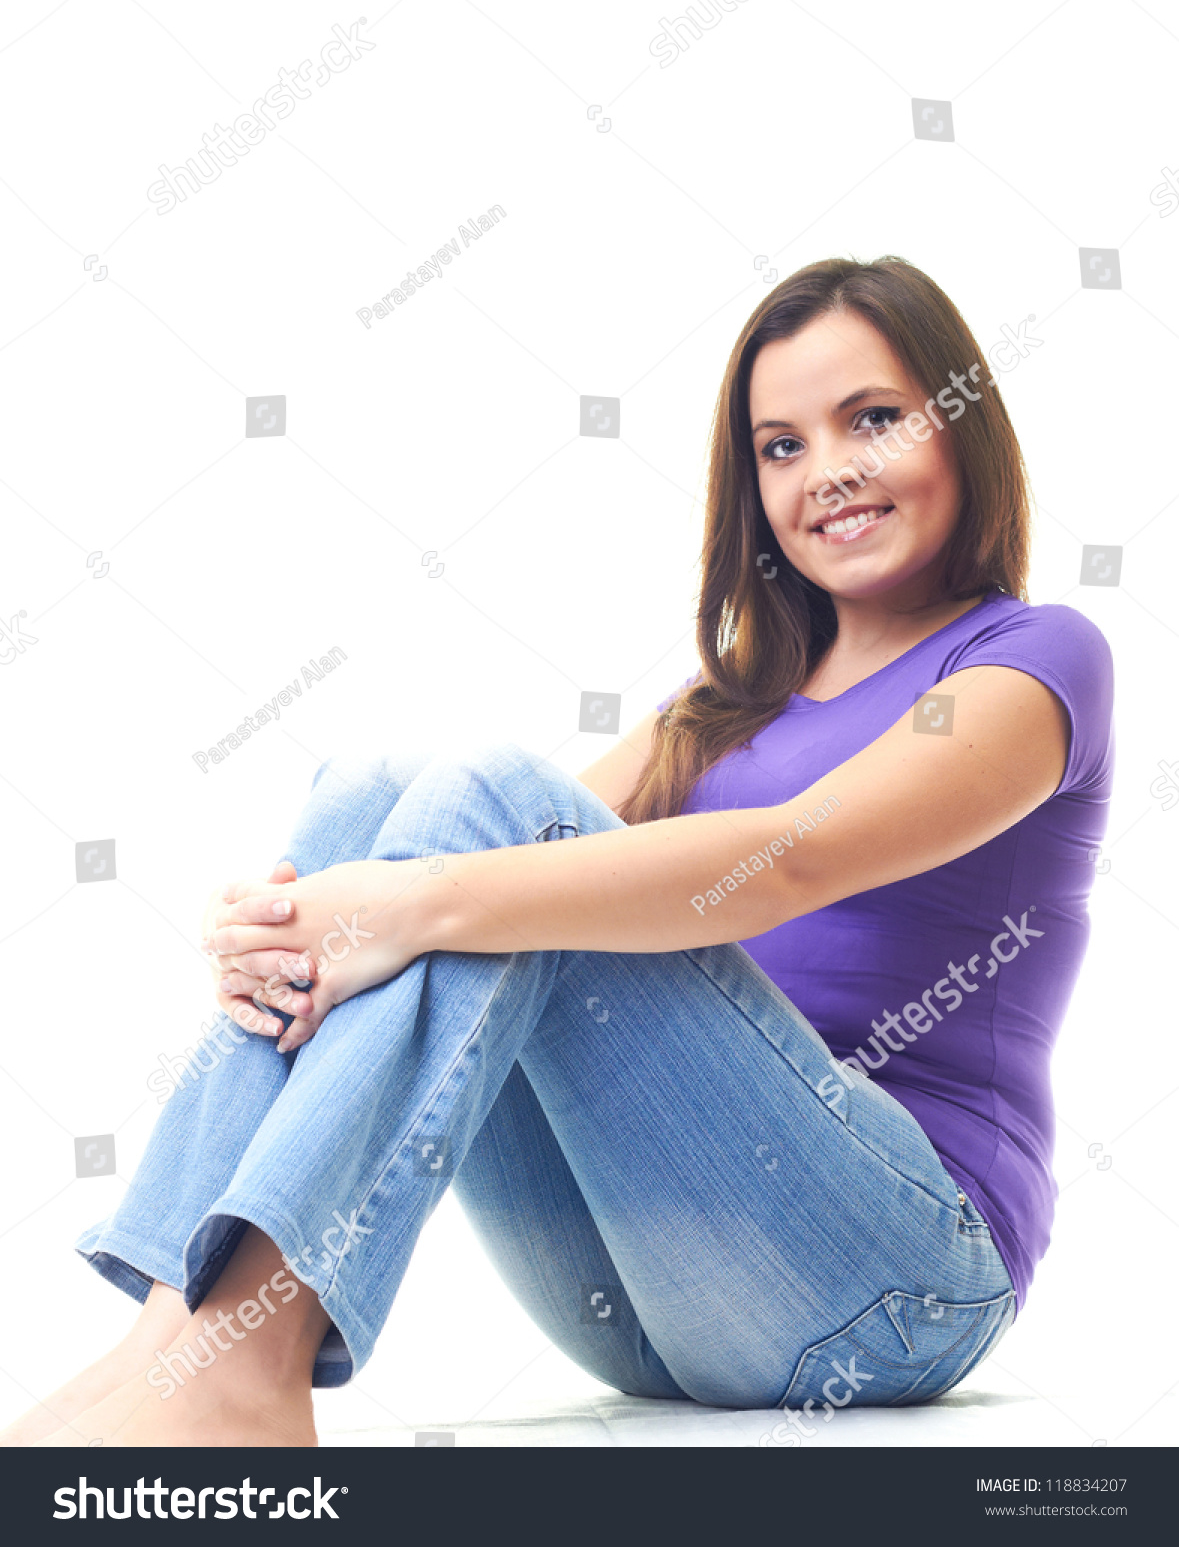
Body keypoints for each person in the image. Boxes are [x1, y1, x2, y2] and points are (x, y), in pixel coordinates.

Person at [5, 256, 1113, 1448]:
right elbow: (465, 848)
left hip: (897, 1281)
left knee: (470, 832)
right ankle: (182, 1332)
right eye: (780, 446)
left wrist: (390, 910)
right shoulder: (730, 700)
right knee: (378, 797)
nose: (827, 471)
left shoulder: (1030, 660)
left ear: (962, 424)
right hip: (645, 1304)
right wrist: (290, 941)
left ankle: (249, 1372)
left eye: (876, 418)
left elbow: (795, 856)